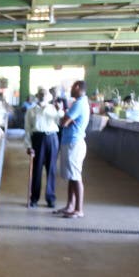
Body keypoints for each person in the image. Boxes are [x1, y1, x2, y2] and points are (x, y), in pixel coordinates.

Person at [54, 80, 89, 218]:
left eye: (72, 88)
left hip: (74, 143)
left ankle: (79, 209)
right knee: (71, 176)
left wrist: (63, 114)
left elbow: (63, 122)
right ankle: (70, 205)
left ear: (77, 87)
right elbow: (67, 120)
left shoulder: (79, 104)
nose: (70, 90)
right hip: (70, 142)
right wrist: (67, 116)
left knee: (76, 176)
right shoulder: (79, 103)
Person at [24, 89, 61, 208]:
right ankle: (34, 198)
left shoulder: (53, 108)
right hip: (38, 139)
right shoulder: (31, 111)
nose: (42, 96)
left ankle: (50, 198)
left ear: (48, 97)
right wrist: (29, 146)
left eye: (44, 94)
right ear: (37, 96)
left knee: (51, 169)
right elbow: (27, 130)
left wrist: (60, 110)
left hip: (52, 138)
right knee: (37, 170)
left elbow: (60, 121)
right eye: (40, 94)